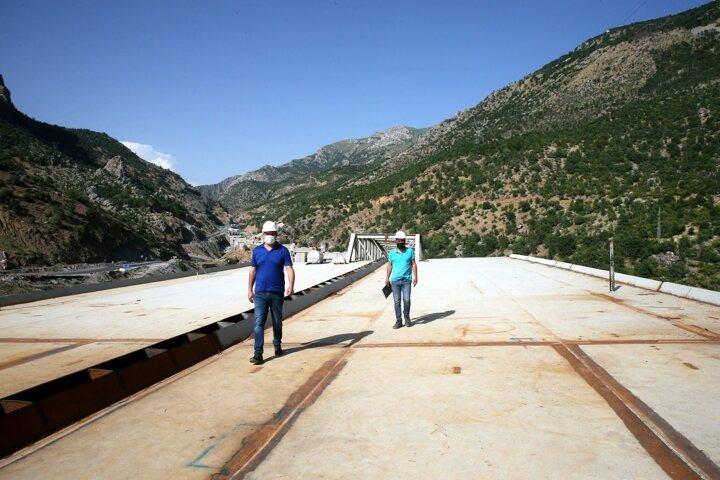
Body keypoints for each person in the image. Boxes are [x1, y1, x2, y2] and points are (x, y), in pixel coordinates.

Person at [247, 220, 295, 364]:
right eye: (267, 233)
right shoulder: (257, 251)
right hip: (260, 293)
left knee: (277, 321)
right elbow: (253, 271)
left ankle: (277, 345)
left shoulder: (283, 251)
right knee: (258, 322)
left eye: (272, 233)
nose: (270, 235)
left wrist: (291, 286)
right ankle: (258, 353)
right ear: (263, 234)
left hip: (277, 292)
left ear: (276, 234)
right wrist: (249, 289)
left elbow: (289, 269)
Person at [384, 230, 418, 328]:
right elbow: (389, 265)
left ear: (404, 240)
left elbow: (413, 264)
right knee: (397, 302)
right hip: (395, 281)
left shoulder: (410, 251)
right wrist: (387, 278)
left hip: (407, 280)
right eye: (398, 240)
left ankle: (406, 317)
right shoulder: (392, 253)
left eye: (402, 240)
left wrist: (416, 277)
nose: (400, 242)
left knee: (407, 300)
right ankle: (399, 321)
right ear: (396, 240)